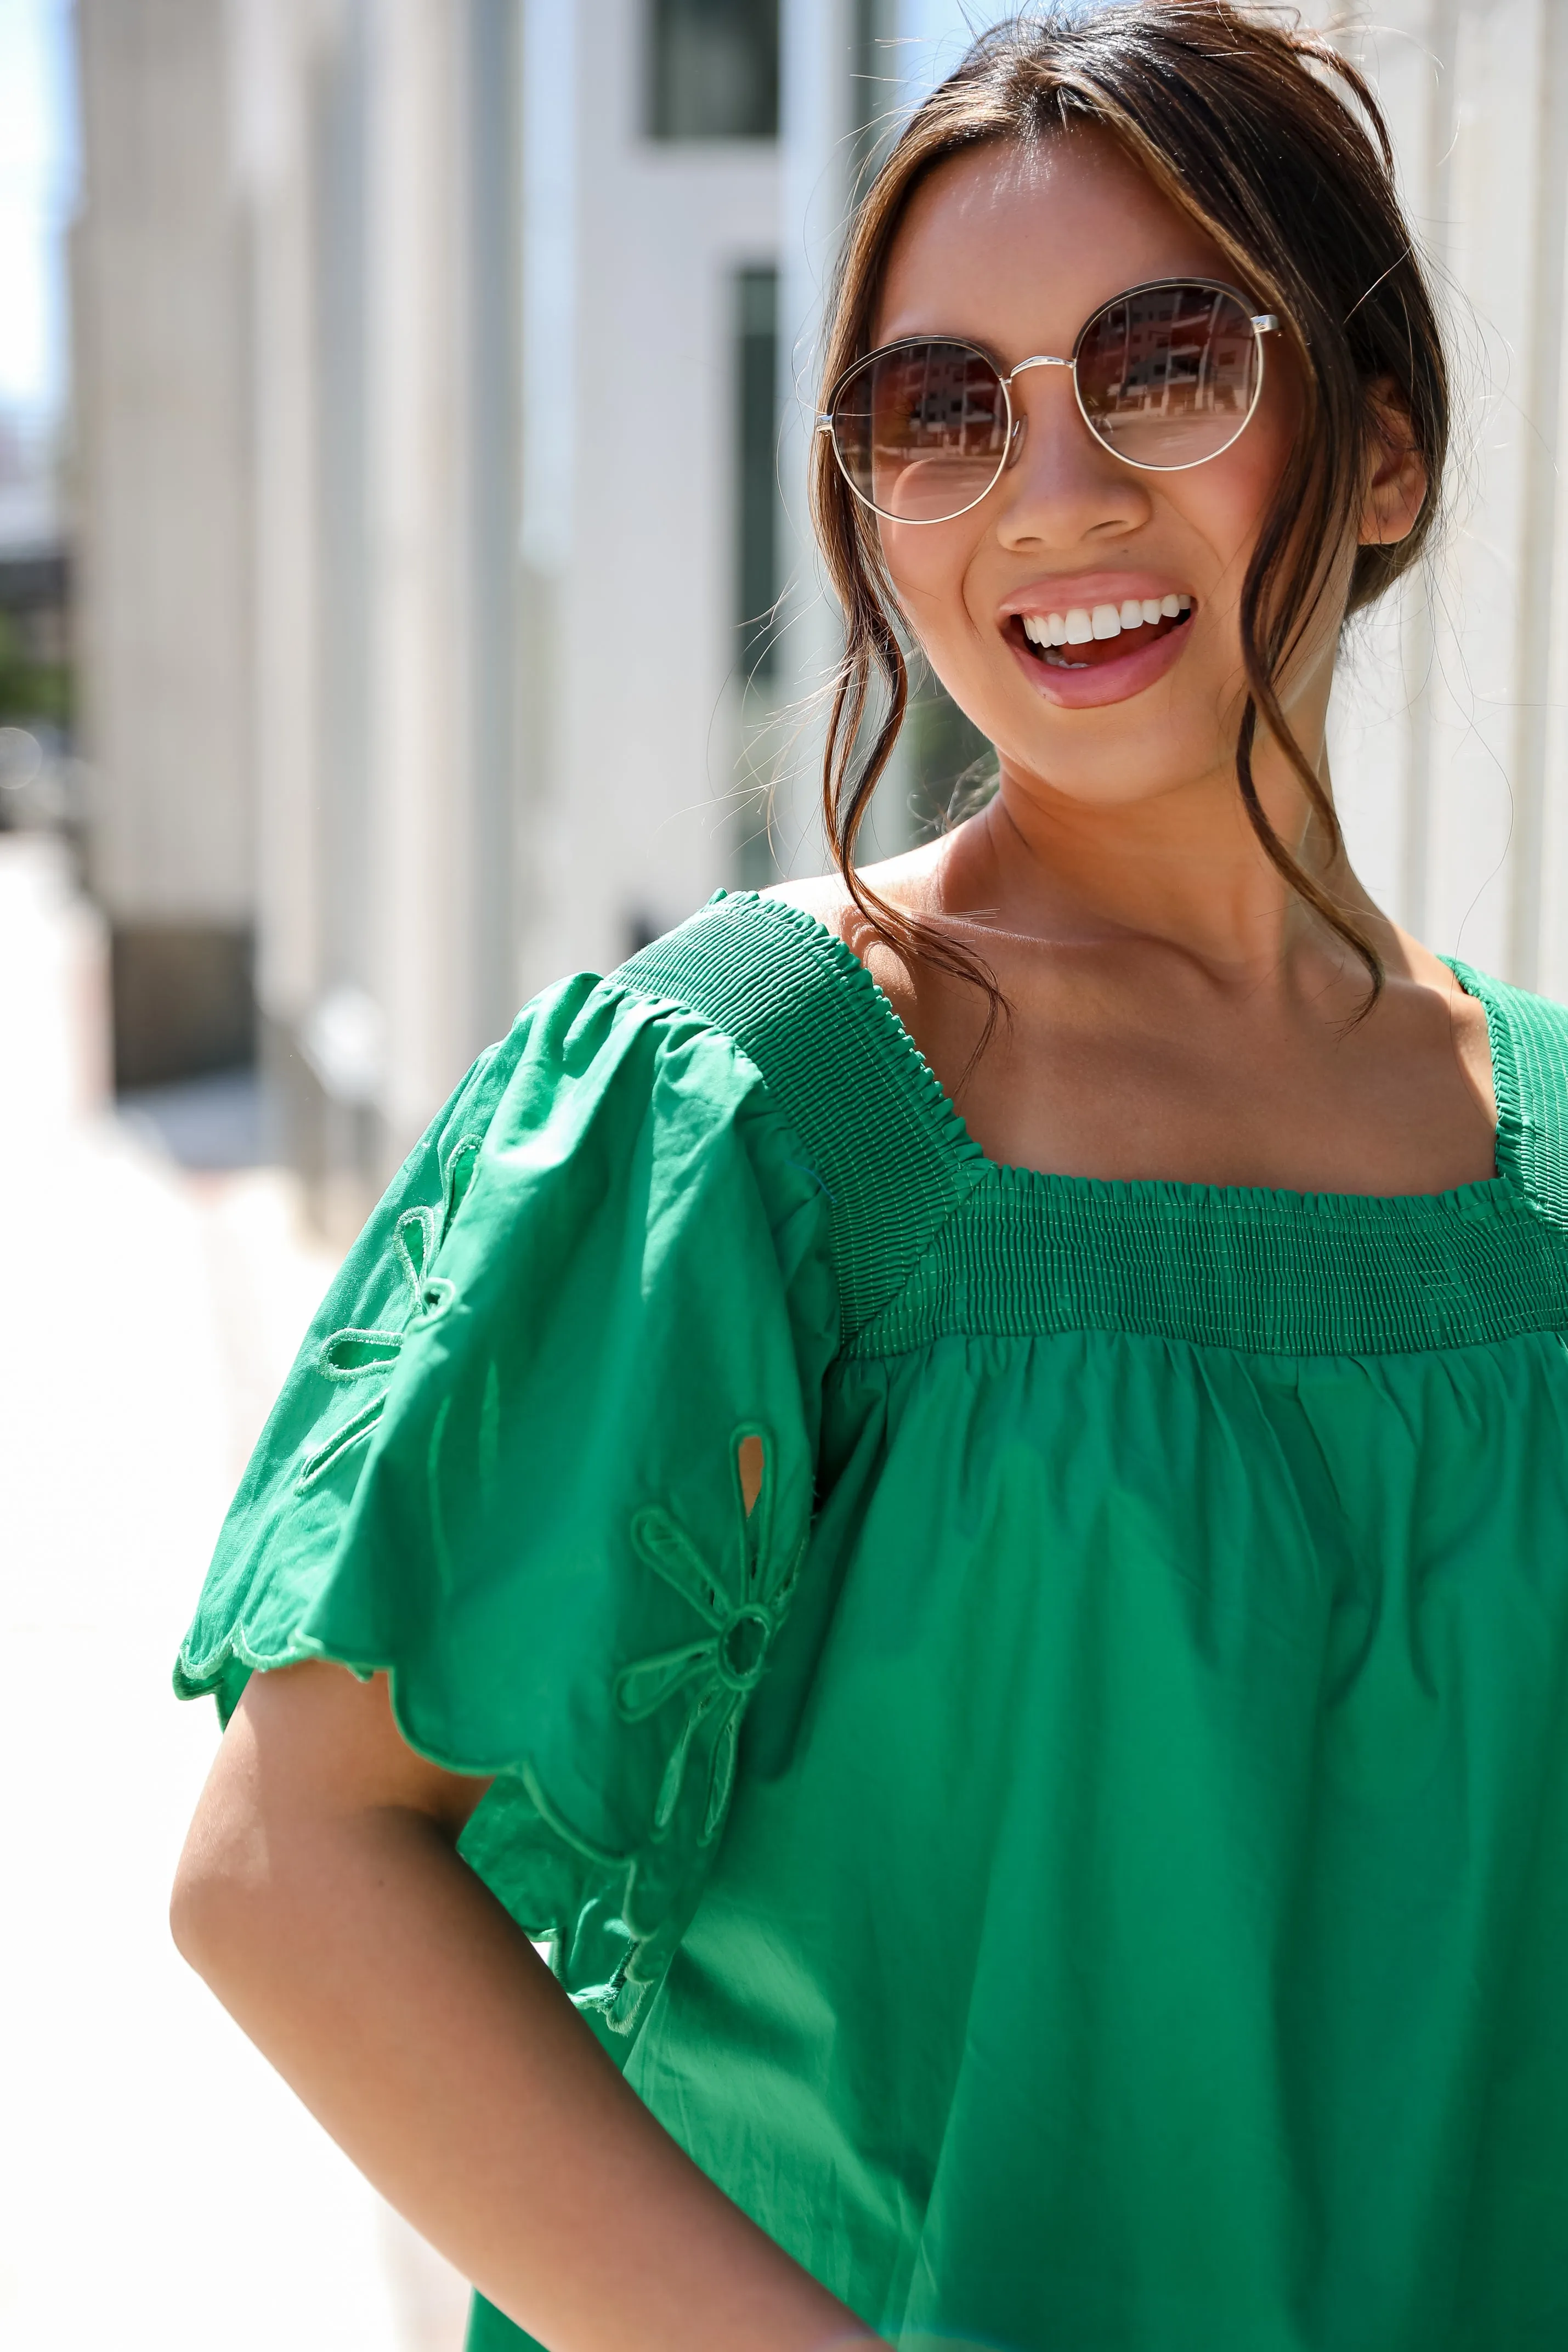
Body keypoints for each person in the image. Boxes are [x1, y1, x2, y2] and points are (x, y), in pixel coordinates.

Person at [170, 9, 1568, 2349]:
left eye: (1166, 365)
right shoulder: (753, 1099)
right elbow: (288, 1863)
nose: (1053, 492)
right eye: (944, 412)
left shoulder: (1545, 1159)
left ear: (1391, 447)